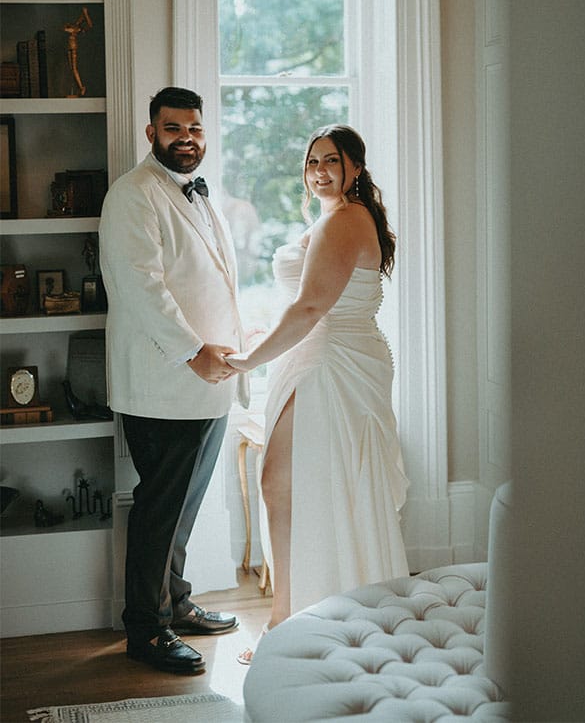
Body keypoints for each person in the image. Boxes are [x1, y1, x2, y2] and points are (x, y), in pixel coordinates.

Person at [227, 124, 409, 663]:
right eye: (312, 163)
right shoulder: (332, 219)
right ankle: (302, 611)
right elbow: (307, 300)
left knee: (284, 482)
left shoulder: (347, 220)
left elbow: (310, 309)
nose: (320, 171)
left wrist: (246, 361)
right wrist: (264, 337)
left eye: (331, 160)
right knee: (300, 483)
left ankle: (293, 618)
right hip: (315, 355)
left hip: (332, 365)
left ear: (356, 167)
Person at [99, 86, 248, 675]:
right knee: (160, 509)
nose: (185, 138)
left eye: (194, 128)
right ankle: (146, 629)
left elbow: (212, 280)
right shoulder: (132, 196)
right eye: (172, 128)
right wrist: (193, 354)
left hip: (208, 385)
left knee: (183, 508)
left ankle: (175, 603)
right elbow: (140, 289)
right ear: (150, 133)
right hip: (164, 387)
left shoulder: (198, 195)